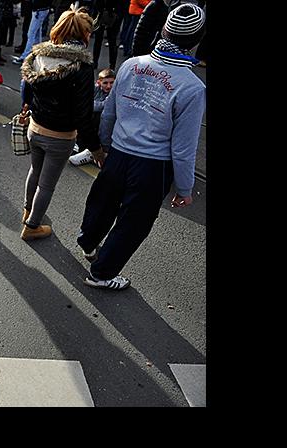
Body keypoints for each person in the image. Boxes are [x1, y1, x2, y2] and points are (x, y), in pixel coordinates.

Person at [77, 3, 205, 290]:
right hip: (152, 166)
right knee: (134, 222)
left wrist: (104, 146)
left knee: (103, 201)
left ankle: (87, 241)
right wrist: (184, 189)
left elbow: (109, 113)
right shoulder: (192, 87)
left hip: (119, 152)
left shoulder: (132, 64)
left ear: (163, 30)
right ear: (197, 40)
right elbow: (183, 148)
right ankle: (102, 273)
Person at [18, 5, 103, 240]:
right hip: (61, 136)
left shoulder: (39, 55)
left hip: (35, 128)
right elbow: (83, 114)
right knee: (47, 184)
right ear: (85, 34)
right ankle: (32, 225)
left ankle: (27, 210)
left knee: (34, 171)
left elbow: (26, 85)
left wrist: (27, 105)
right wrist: (95, 149)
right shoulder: (82, 67)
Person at [69, 66, 112, 166]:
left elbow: (101, 106)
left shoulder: (114, 93)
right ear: (99, 82)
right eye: (105, 83)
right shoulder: (95, 89)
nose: (109, 86)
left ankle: (94, 150)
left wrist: (88, 104)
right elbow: (80, 102)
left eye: (111, 82)